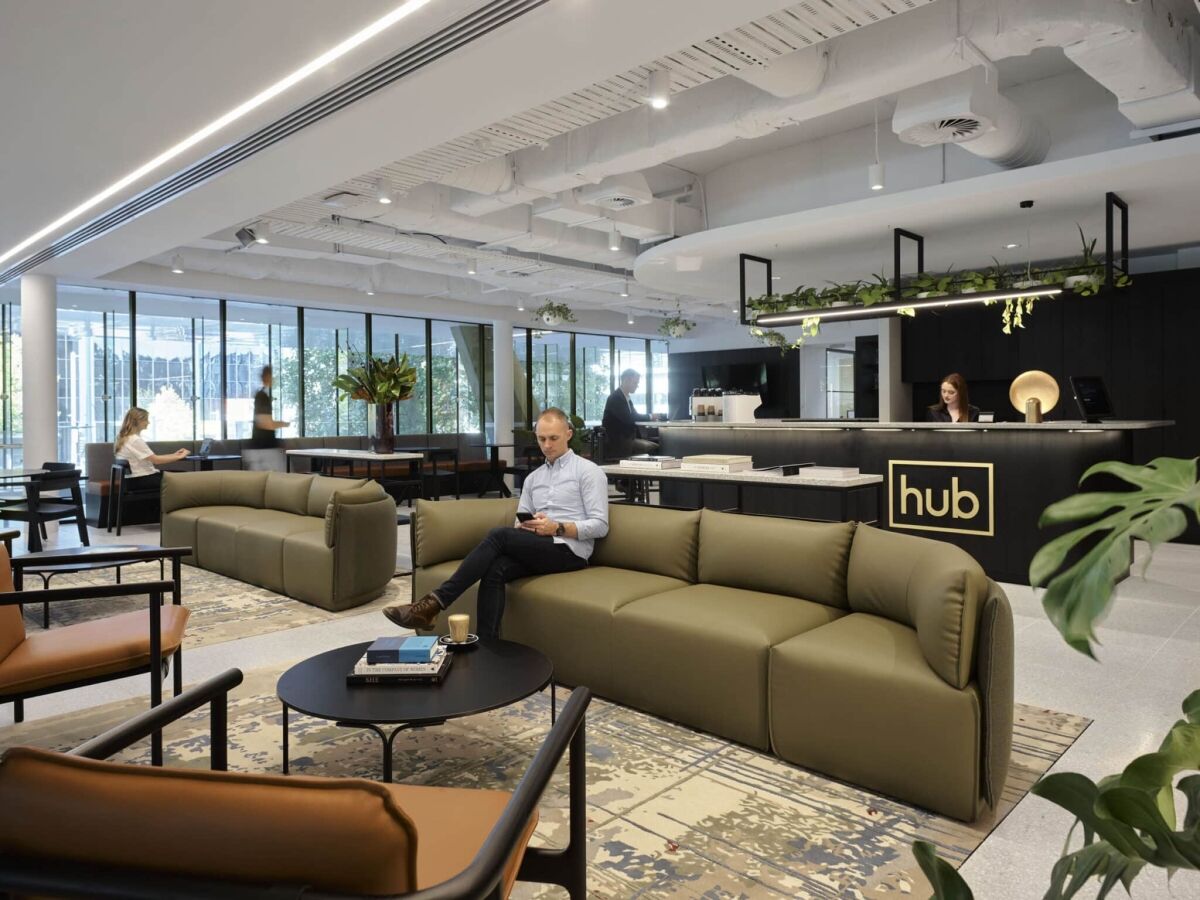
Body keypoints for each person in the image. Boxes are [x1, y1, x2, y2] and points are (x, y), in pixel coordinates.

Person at [384, 408, 609, 639]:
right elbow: (519, 519)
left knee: (499, 535)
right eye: (542, 439)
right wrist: (525, 527)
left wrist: (558, 527)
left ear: (568, 434)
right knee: (495, 569)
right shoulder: (534, 478)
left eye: (554, 438)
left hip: (571, 552)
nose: (547, 445)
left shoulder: (588, 472)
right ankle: (487, 649)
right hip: (539, 545)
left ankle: (434, 604)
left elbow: (600, 525)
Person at [114, 407, 189, 481]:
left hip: (135, 478)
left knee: (181, 475)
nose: (148, 422)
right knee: (184, 477)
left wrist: (175, 455)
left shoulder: (124, 438)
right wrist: (179, 457)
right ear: (137, 421)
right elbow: (156, 460)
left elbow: (153, 458)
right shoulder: (135, 440)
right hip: (142, 478)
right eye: (146, 420)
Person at [602, 368, 659, 458]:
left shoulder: (626, 397)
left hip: (626, 439)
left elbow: (634, 416)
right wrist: (650, 416)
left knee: (655, 443)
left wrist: (650, 416)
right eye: (635, 383)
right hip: (618, 442)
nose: (637, 386)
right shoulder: (616, 398)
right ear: (627, 380)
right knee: (654, 448)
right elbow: (630, 418)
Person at [244, 366, 289, 471]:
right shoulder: (262, 396)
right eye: (273, 376)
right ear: (268, 377)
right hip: (264, 448)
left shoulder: (263, 395)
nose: (274, 378)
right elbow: (264, 423)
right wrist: (283, 424)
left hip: (263, 447)